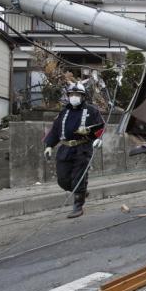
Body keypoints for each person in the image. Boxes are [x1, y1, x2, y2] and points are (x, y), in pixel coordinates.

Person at [43, 82, 105, 218]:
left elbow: (100, 127)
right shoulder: (63, 112)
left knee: (78, 178)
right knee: (62, 180)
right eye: (72, 94)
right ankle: (81, 191)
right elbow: (54, 130)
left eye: (77, 95)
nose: (74, 97)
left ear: (83, 97)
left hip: (82, 148)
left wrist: (98, 138)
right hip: (65, 148)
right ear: (68, 96)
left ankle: (78, 206)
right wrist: (49, 146)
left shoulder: (91, 110)